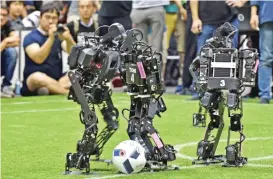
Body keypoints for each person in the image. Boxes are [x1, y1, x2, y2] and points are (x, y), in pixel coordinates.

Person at [189, 0, 247, 99]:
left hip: (230, 20)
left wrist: (241, 1)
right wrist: (195, 18)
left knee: (232, 58)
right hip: (206, 20)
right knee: (202, 58)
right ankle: (200, 91)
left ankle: (231, 92)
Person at [21, 2, 75, 96]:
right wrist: (51, 38)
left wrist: (68, 38)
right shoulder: (30, 37)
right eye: (47, 17)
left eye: (54, 18)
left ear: (58, 20)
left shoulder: (59, 36)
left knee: (79, 74)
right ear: (40, 18)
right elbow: (38, 58)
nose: (50, 21)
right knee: (37, 78)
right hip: (33, 80)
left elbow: (75, 55)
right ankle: (68, 93)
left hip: (57, 79)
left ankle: (52, 89)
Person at [250, 1, 273, 104]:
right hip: (268, 16)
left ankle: (265, 94)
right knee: (266, 58)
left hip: (267, 17)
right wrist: (254, 14)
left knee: (266, 58)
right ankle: (265, 95)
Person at [1, 5, 20, 98]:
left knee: (12, 52)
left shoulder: (7, 25)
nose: (1, 17)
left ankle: (6, 86)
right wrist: (5, 42)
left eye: (4, 15)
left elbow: (16, 40)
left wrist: (4, 45)